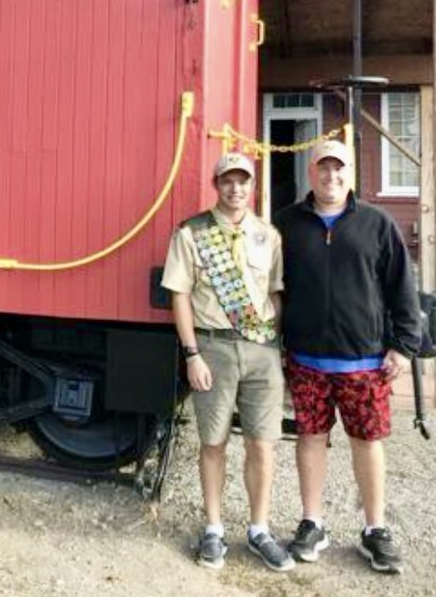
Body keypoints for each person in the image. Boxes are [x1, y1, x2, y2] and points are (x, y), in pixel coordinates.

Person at [273, 139, 423, 575]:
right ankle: (312, 522)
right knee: (310, 439)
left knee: (368, 444)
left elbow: (402, 288)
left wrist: (403, 344)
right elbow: (274, 288)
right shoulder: (287, 225)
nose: (331, 176)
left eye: (339, 169)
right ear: (311, 172)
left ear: (350, 174)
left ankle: (375, 529)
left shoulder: (377, 224)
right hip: (305, 360)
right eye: (323, 168)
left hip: (364, 362)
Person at [162, 152, 295, 572]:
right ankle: (214, 529)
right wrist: (192, 354)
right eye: (227, 181)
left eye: (243, 181)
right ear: (216, 184)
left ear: (252, 186)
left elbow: (276, 291)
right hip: (212, 349)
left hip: (261, 351)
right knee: (213, 442)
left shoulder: (268, 236)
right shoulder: (192, 233)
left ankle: (259, 530)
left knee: (262, 443)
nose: (236, 189)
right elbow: (179, 295)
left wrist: (268, 331)